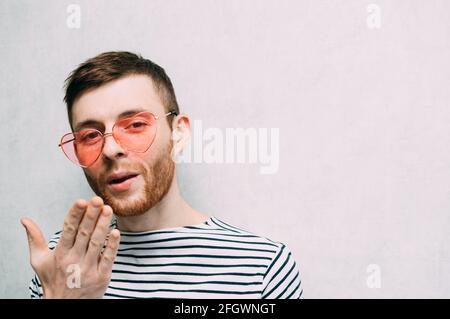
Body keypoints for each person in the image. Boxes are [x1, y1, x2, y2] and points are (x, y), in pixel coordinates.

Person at [21, 51, 303, 299]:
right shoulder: (61, 261)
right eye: (90, 135)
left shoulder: (261, 267)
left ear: (178, 134)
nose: (110, 149)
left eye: (134, 125)